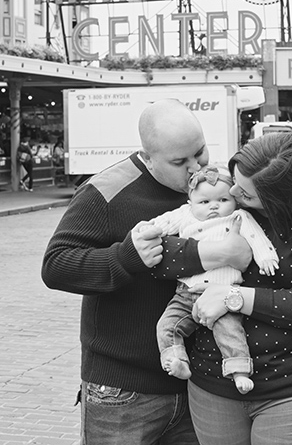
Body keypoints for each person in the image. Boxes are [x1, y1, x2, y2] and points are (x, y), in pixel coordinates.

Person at [41, 99, 252, 445]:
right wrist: (124, 258)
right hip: (122, 391)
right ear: (148, 157)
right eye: (179, 161)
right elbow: (56, 265)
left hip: (200, 385)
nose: (195, 167)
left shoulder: (216, 186)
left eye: (200, 152)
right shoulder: (105, 192)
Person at [164, 132, 292, 445]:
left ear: (282, 198)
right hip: (212, 389)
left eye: (246, 194)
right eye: (236, 180)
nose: (231, 192)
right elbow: (159, 256)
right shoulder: (221, 205)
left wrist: (235, 298)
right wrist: (215, 253)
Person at [145, 164, 279, 394]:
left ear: (235, 201)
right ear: (191, 203)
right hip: (187, 291)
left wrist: (266, 256)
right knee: (167, 325)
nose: (214, 206)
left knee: (230, 331)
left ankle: (239, 371)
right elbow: (163, 223)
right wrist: (147, 229)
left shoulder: (238, 217)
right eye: (204, 202)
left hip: (223, 292)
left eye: (222, 200)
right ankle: (177, 360)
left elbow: (256, 237)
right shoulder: (185, 214)